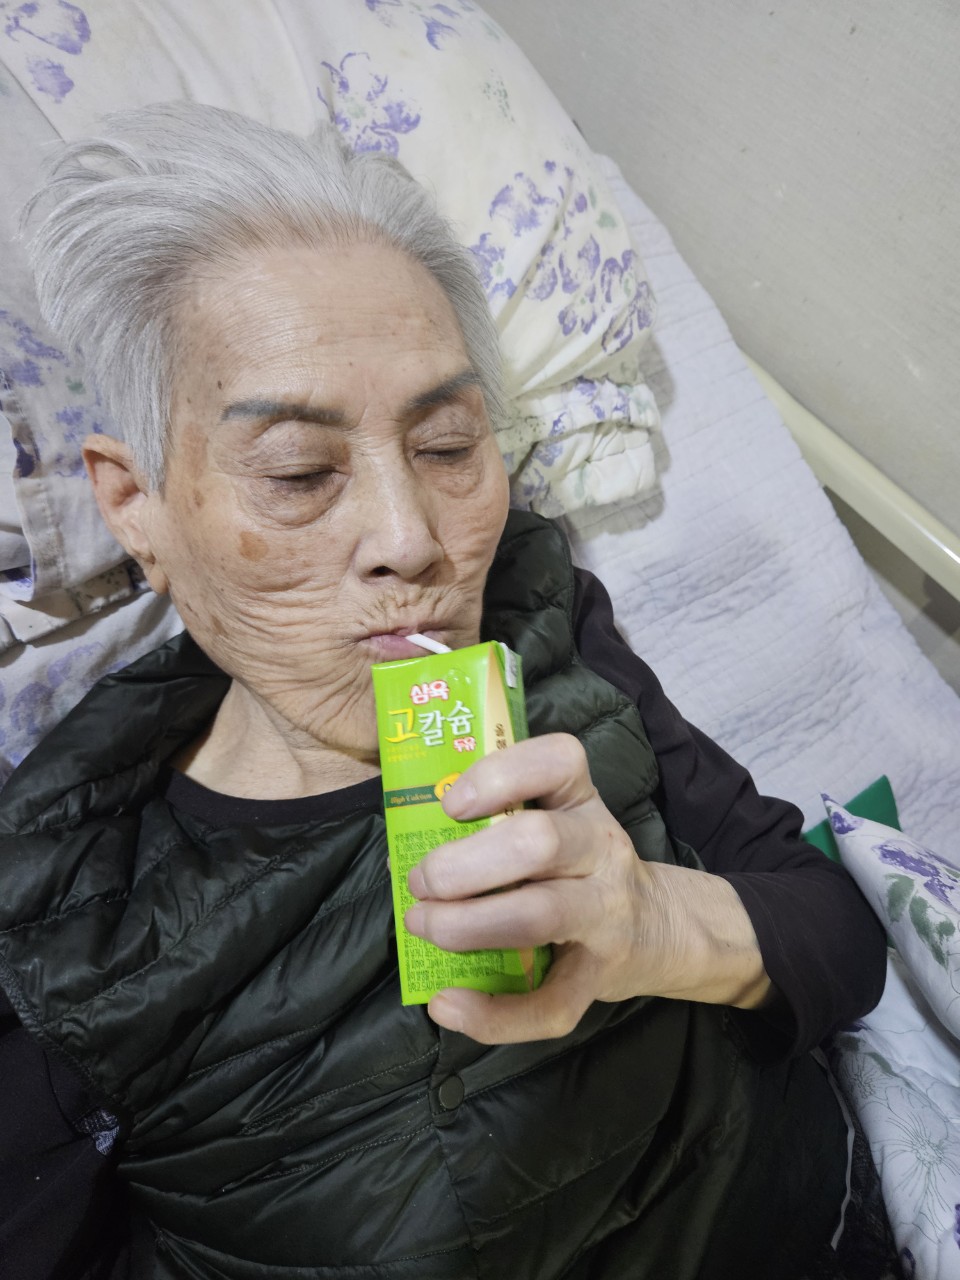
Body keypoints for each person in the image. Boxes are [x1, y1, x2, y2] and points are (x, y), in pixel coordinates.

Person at [0, 103, 886, 1280]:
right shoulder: (59, 916)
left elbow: (837, 932)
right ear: (138, 508)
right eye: (298, 470)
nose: (412, 538)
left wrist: (657, 924)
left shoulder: (536, 608)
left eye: (450, 443)